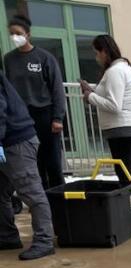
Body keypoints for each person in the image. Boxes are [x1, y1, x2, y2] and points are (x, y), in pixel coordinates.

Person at [80, 34, 131, 222]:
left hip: (121, 129)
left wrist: (90, 96)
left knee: (125, 173)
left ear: (105, 52)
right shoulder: (125, 69)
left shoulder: (115, 71)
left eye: (96, 52)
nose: (95, 56)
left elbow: (114, 105)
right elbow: (113, 97)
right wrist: (92, 91)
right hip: (129, 127)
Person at [4, 15, 66, 190]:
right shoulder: (9, 59)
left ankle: (60, 202)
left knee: (53, 162)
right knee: (34, 162)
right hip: (22, 118)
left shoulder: (44, 57)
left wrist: (58, 117)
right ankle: (42, 203)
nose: (15, 37)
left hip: (45, 114)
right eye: (12, 34)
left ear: (28, 34)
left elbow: (57, 88)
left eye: (18, 33)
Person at [0, 70, 56, 260]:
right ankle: (7, 237)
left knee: (31, 192)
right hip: (9, 141)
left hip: (17, 142)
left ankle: (44, 241)